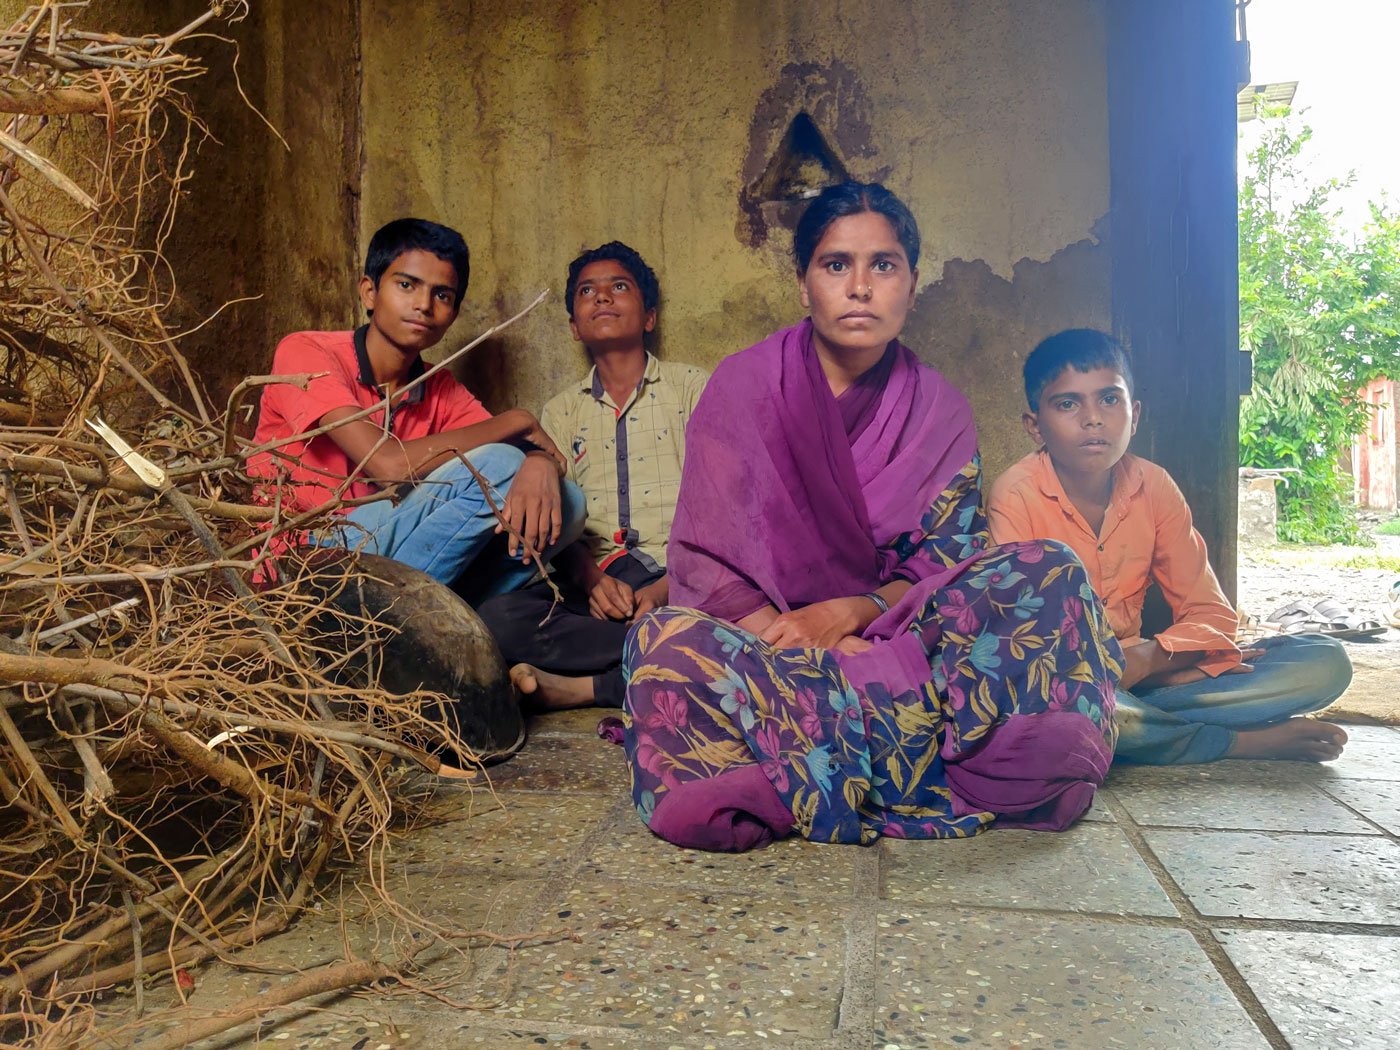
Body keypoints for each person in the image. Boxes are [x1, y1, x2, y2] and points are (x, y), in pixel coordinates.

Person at [618, 182, 1125, 853]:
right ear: (803, 285)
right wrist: (799, 637)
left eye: (883, 266)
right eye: (836, 265)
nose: (860, 286)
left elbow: (945, 561)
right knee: (661, 645)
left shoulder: (939, 407)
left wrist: (855, 614)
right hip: (772, 651)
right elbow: (709, 561)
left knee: (1050, 572)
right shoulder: (743, 385)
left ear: (912, 286)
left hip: (902, 636)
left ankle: (811, 762)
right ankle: (913, 745)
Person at [986, 328, 1352, 764]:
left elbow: (1212, 613)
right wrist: (1132, 671)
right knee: (1052, 709)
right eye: (1068, 403)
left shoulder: (1155, 487)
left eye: (1109, 399)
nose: (1093, 418)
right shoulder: (1016, 494)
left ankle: (1148, 726)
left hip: (1146, 679)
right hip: (1064, 683)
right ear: (1034, 426)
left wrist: (1153, 660)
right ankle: (1237, 742)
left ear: (1134, 415)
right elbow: (1024, 641)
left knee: (1323, 661)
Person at [249, 218, 584, 596]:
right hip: (304, 557)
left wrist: (539, 462)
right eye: (407, 285)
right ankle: (389, 619)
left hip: (389, 553)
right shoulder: (307, 353)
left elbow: (530, 456)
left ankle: (412, 620)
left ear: (453, 314)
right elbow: (389, 466)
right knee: (502, 467)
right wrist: (519, 421)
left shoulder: (438, 387)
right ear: (369, 292)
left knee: (570, 503)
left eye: (442, 295)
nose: (424, 305)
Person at [477, 242, 709, 709]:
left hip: (678, 577)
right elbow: (557, 518)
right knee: (497, 620)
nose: (602, 297)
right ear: (574, 327)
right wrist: (594, 584)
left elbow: (720, 506)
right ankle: (673, 653)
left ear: (649, 318)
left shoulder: (692, 388)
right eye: (588, 291)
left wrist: (663, 591)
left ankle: (586, 688)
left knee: (738, 612)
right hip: (597, 582)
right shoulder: (561, 411)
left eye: (619, 287)